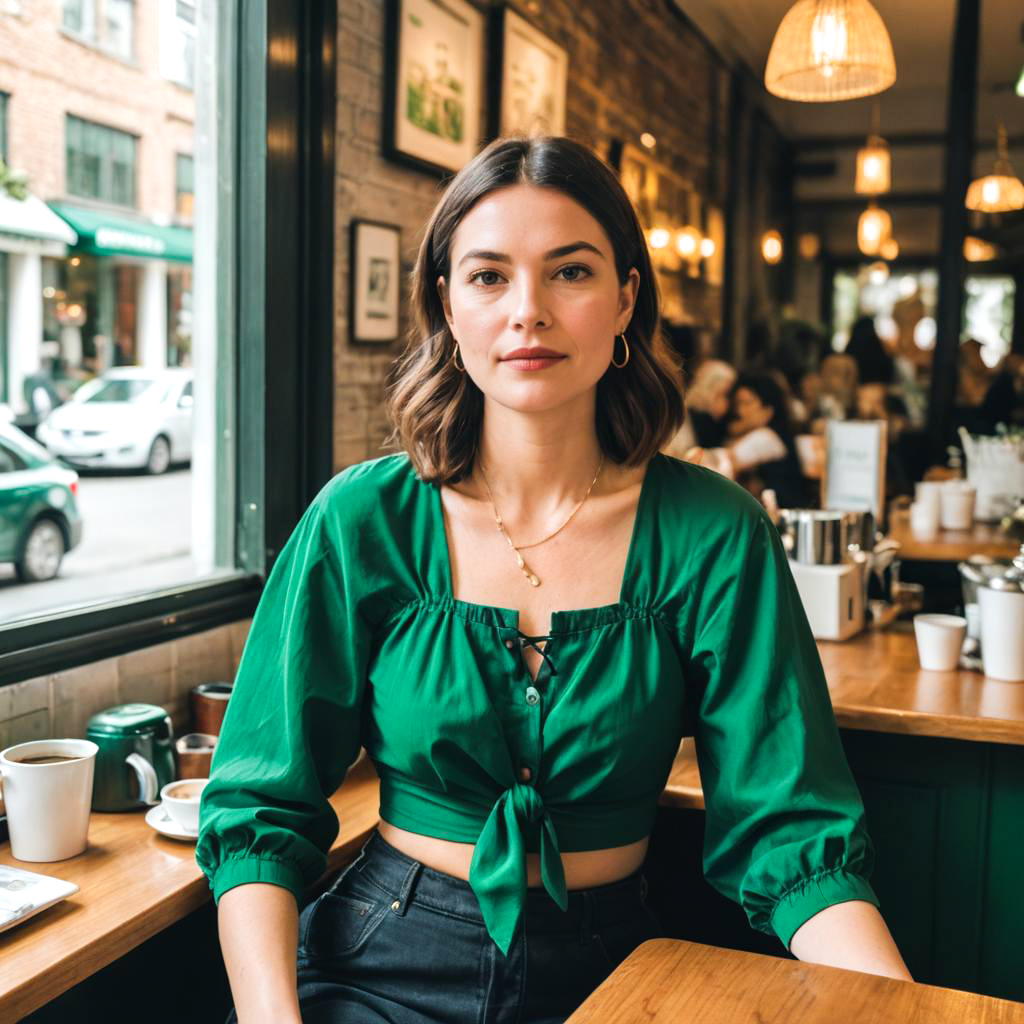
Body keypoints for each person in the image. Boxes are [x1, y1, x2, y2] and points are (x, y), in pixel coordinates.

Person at [196, 136, 911, 1024]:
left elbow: (794, 828)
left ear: (624, 300)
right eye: (489, 276)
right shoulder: (361, 520)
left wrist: (904, 1008)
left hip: (622, 967)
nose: (526, 310)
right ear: (448, 308)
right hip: (381, 957)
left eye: (569, 272)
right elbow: (260, 809)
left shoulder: (716, 533)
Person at [722, 370, 808, 509]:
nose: (740, 411)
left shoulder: (767, 437)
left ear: (768, 408)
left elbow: (725, 464)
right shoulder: (770, 435)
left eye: (747, 403)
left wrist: (738, 428)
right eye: (738, 404)